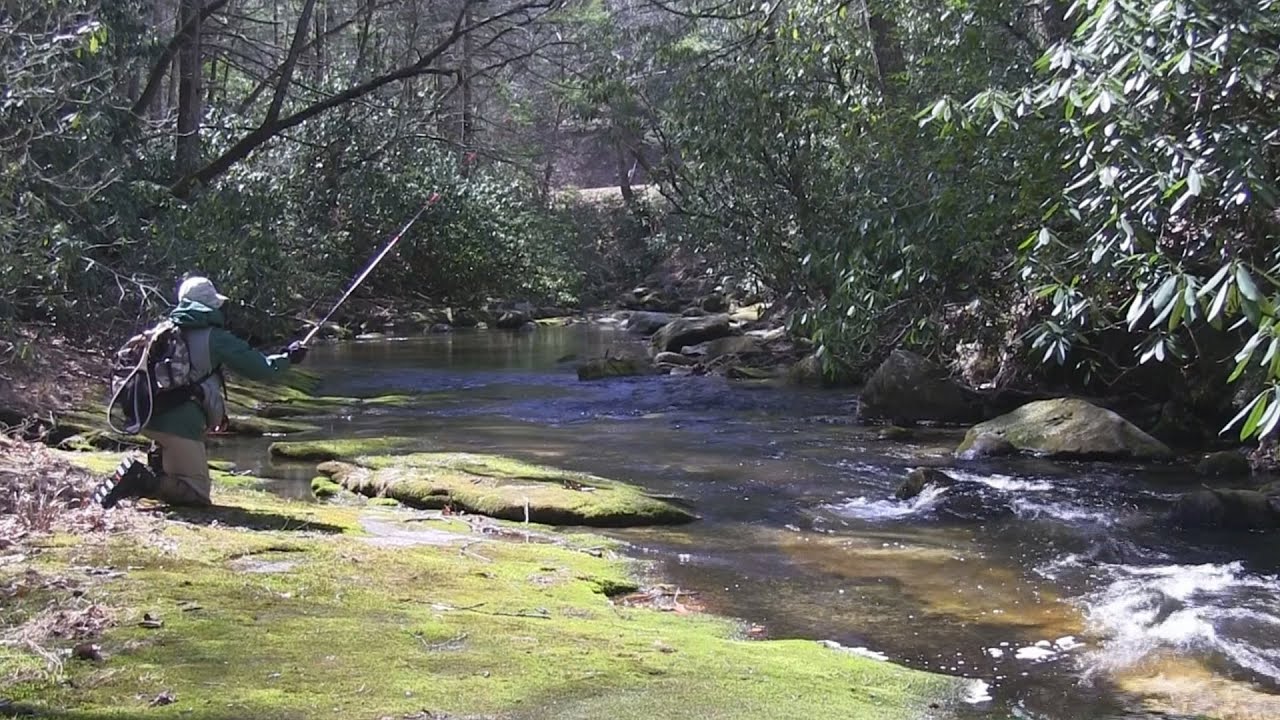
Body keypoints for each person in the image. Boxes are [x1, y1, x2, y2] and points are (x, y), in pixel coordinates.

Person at [98, 275, 307, 508]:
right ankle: (142, 479)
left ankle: (155, 468)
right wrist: (289, 357)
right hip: (180, 423)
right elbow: (260, 369)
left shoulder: (163, 329)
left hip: (146, 416)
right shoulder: (215, 338)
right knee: (197, 495)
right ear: (211, 305)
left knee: (176, 466)